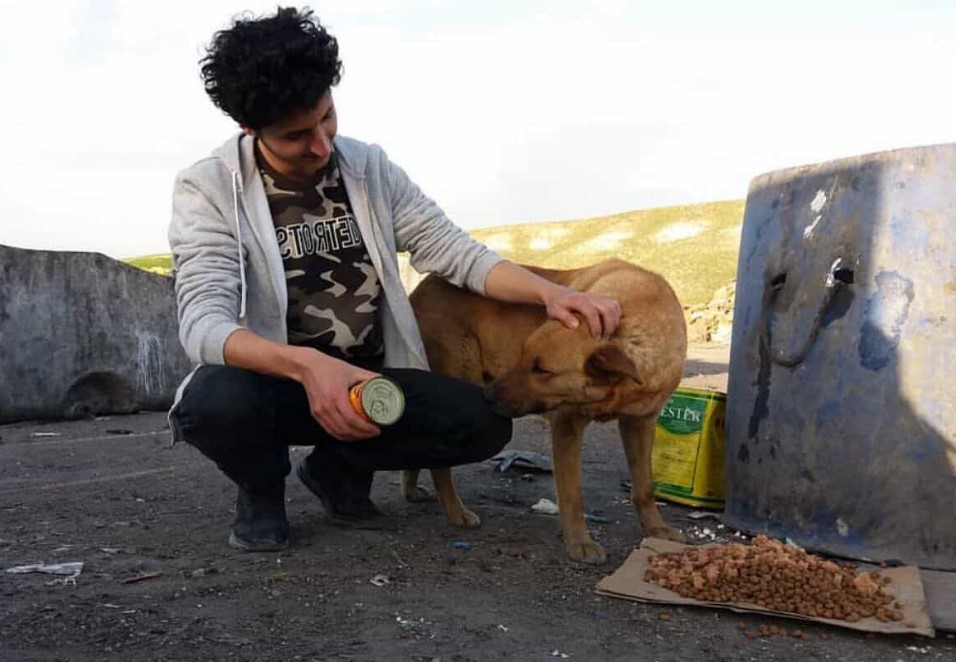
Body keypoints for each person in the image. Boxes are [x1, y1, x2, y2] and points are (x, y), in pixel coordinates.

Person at [167, 6, 622, 552]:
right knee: (211, 404)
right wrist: (309, 366)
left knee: (480, 422)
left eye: (327, 118)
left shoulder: (370, 169)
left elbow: (454, 251)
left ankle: (337, 469)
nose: (321, 145)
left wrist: (551, 292)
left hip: (369, 381)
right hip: (275, 381)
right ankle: (261, 491)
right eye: (296, 136)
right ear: (249, 127)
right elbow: (203, 323)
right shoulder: (208, 188)